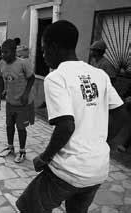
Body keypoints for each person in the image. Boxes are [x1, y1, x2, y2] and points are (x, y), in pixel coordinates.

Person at [16, 20, 127, 213]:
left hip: (68, 171)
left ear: (54, 47)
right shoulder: (99, 75)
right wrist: (100, 143)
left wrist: (45, 157)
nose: (43, 55)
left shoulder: (56, 77)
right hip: (98, 169)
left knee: (28, 206)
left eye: (43, 49)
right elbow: (121, 113)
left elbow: (66, 126)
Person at [0, 39, 35, 163]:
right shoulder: (1, 63)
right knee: (9, 125)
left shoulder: (23, 63)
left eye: (6, 52)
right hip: (10, 102)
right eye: (2, 52)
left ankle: (22, 151)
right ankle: (10, 147)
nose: (3, 55)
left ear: (13, 52)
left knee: (21, 128)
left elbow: (32, 78)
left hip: (23, 103)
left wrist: (25, 94)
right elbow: (0, 80)